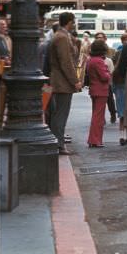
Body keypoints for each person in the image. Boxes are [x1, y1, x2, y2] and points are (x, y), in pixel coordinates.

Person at [48, 12, 82, 155]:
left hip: (59, 80)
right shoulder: (62, 37)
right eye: (73, 22)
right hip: (61, 82)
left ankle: (58, 142)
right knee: (60, 114)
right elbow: (66, 62)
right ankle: (58, 144)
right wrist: (75, 81)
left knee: (58, 113)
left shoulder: (62, 36)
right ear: (70, 22)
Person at [85, 39, 111, 148]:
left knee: (96, 115)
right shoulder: (99, 61)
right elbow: (105, 77)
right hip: (101, 90)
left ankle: (94, 139)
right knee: (98, 117)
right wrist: (109, 73)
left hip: (94, 89)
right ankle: (95, 140)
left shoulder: (91, 60)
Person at [112, 32, 127, 144]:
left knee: (126, 112)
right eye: (126, 39)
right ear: (122, 41)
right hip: (121, 84)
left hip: (124, 84)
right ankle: (123, 136)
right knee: (122, 112)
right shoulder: (118, 53)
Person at [94, 32, 117, 123]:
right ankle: (101, 117)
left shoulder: (110, 51)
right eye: (97, 37)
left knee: (110, 99)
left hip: (108, 79)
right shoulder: (93, 50)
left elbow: (112, 64)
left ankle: (113, 114)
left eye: (101, 37)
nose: (99, 39)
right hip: (97, 80)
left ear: (105, 39)